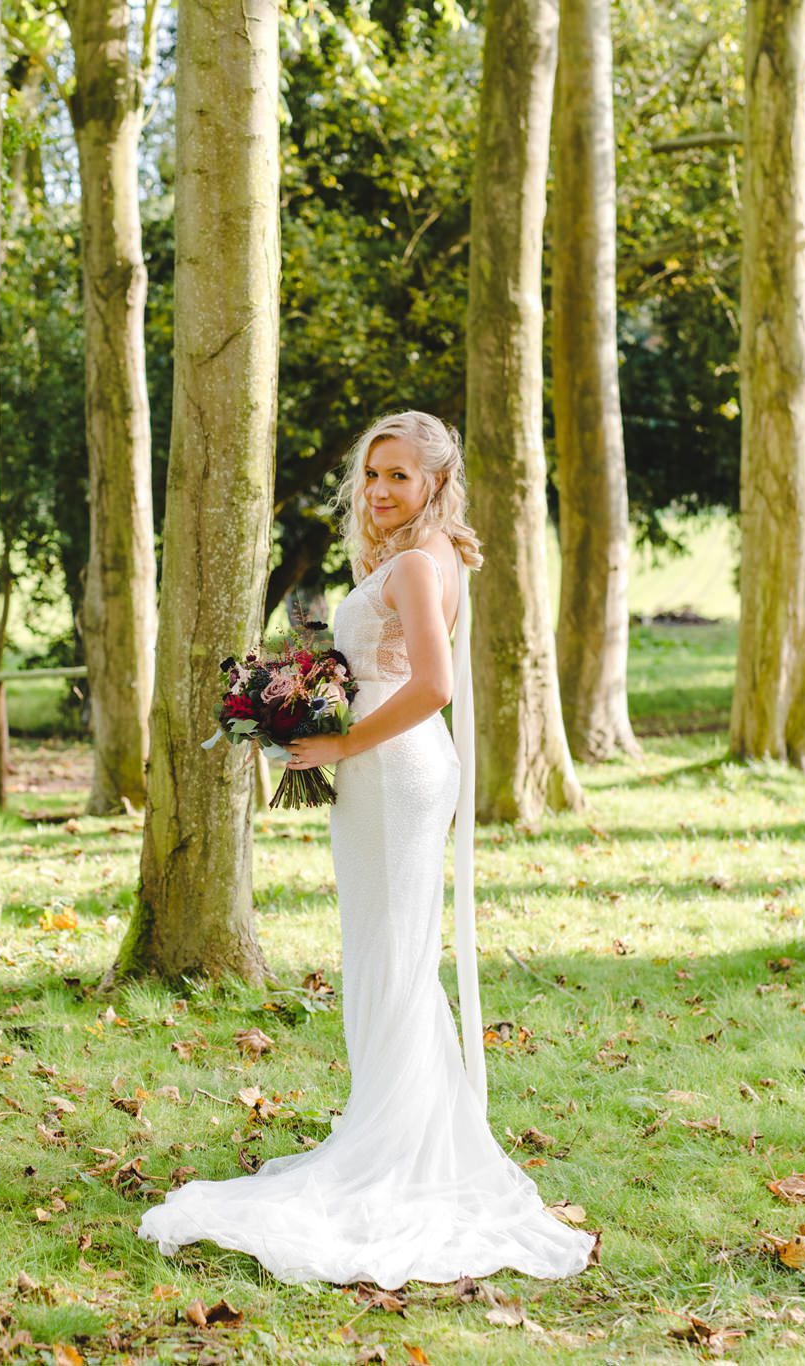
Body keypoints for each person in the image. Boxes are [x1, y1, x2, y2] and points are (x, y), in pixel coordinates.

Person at [136, 410, 598, 1288]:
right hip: (388, 770)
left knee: (390, 960)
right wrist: (302, 703)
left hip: (394, 770)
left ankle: (402, 1158)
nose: (382, 491)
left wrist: (341, 745)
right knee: (387, 956)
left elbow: (431, 684)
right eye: (374, 474)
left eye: (400, 477)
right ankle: (394, 1133)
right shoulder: (414, 560)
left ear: (435, 483)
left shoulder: (421, 565)